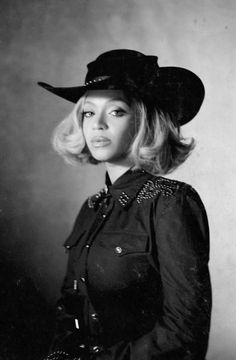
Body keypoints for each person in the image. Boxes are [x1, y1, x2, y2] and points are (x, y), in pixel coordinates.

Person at [38, 49, 211, 360]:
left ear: (144, 122)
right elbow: (69, 312)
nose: (97, 125)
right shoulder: (90, 208)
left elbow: (185, 330)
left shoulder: (169, 202)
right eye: (88, 113)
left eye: (116, 111)